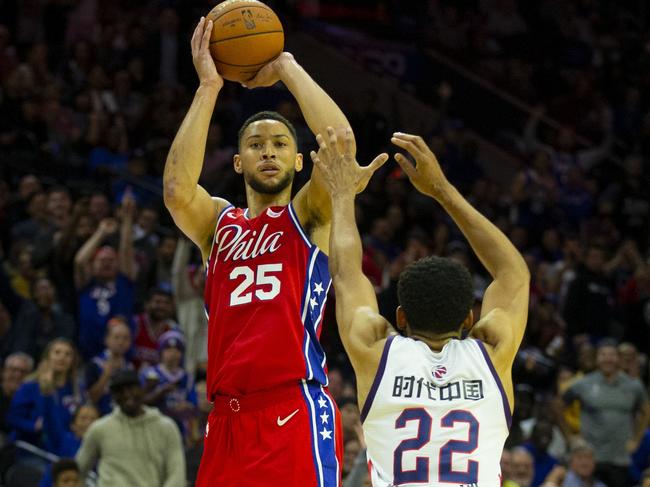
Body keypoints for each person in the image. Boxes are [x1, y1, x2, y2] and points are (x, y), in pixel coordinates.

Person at [163, 17, 382, 487]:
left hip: (291, 407)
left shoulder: (308, 215)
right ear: (238, 161)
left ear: (299, 161)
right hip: (224, 418)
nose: (269, 152)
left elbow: (340, 144)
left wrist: (286, 66)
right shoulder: (219, 225)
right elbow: (177, 190)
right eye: (256, 145)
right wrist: (208, 87)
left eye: (281, 144)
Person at [311, 129, 529, 485]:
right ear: (470, 318)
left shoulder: (375, 350)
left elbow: (346, 273)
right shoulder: (493, 353)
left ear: (399, 317)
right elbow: (513, 273)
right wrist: (442, 190)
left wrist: (342, 193)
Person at [561, 339, 650, 487]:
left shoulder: (633, 385)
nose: (607, 359)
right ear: (597, 358)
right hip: (591, 459)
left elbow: (646, 410)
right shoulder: (583, 384)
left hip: (620, 457)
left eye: (611, 354)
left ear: (619, 358)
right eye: (603, 354)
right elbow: (558, 405)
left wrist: (637, 438)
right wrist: (569, 435)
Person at [75, 369, 186, 487]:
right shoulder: (100, 428)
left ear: (141, 389)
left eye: (131, 388)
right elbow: (78, 470)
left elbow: (177, 474)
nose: (126, 394)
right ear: (113, 396)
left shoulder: (166, 427)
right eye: (119, 391)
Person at [85, 317, 133, 415]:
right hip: (99, 416)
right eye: (116, 337)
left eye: (125, 338)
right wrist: (106, 375)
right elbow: (91, 398)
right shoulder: (95, 364)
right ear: (107, 339)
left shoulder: (130, 367)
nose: (121, 342)